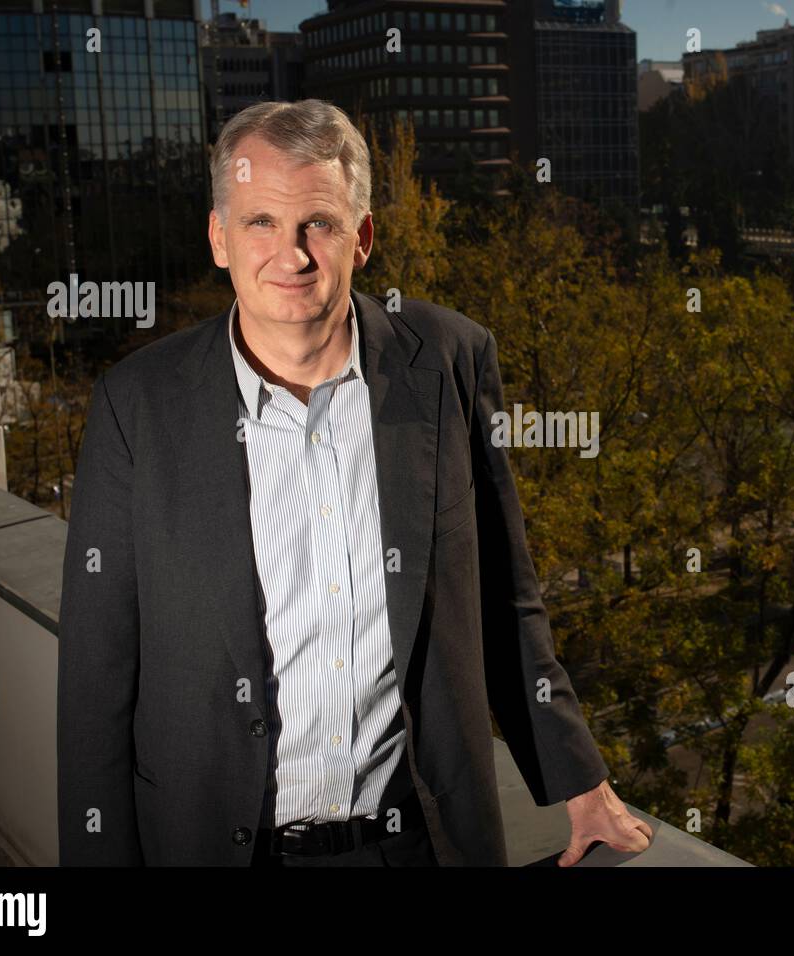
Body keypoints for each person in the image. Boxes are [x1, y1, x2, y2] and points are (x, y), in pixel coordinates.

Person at [56, 99, 653, 867]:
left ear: (362, 237)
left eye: (319, 224)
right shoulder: (137, 404)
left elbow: (505, 595)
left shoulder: (447, 361)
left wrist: (582, 779)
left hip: (419, 846)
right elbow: (96, 680)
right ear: (218, 238)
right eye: (260, 222)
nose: (292, 255)